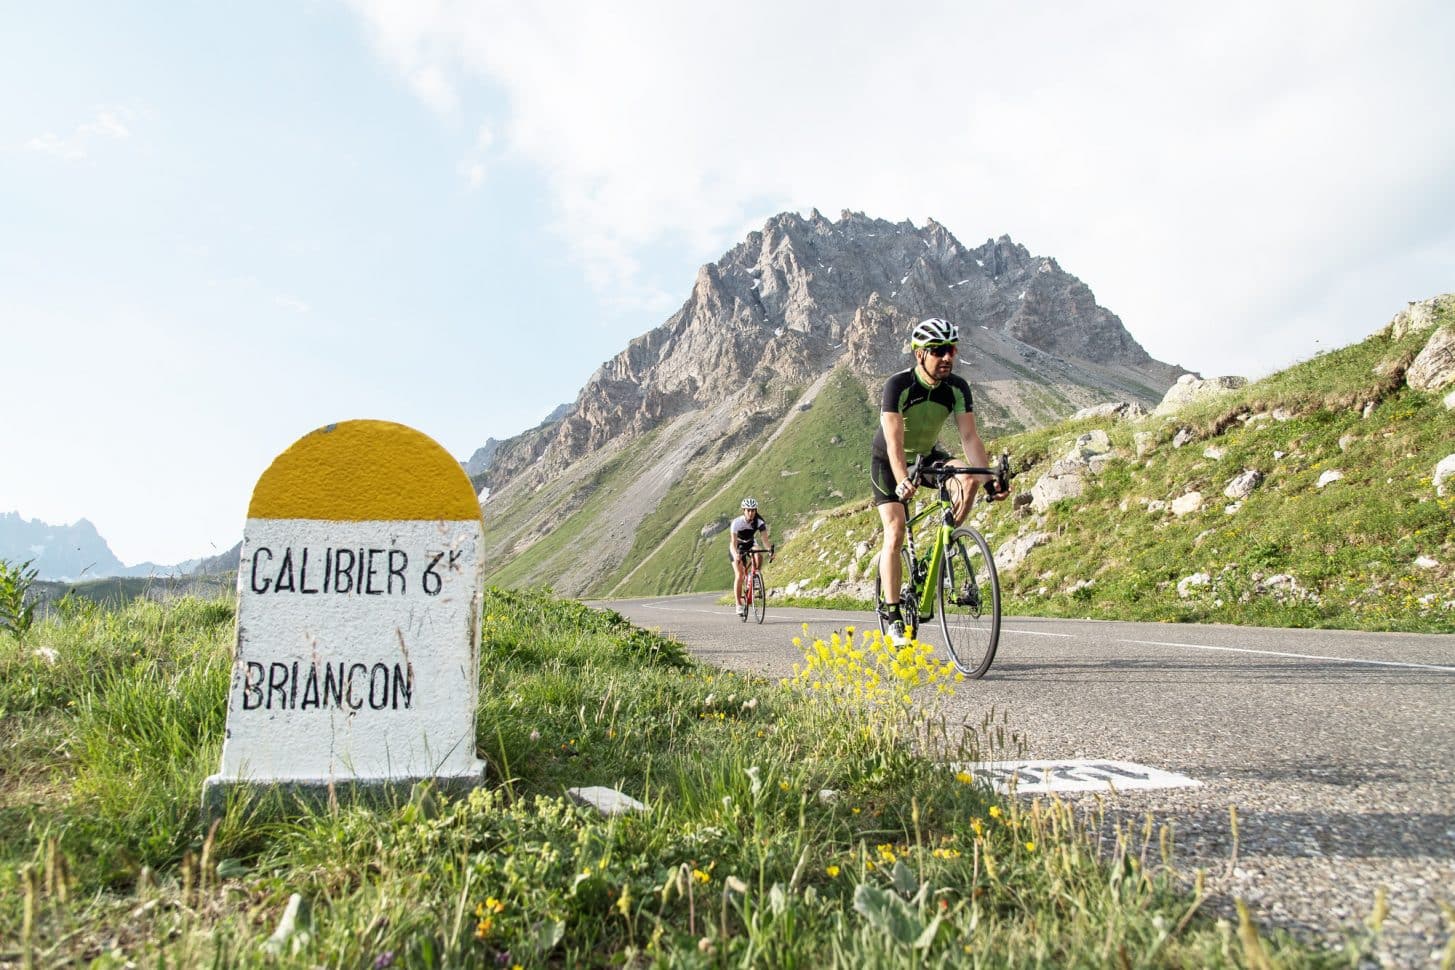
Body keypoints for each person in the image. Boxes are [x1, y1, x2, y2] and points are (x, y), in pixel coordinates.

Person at [870, 317, 1001, 644]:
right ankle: (893, 613)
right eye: (939, 350)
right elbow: (894, 443)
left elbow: (970, 437)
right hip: (889, 462)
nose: (947, 357)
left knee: (967, 480)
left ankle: (945, 545)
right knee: (896, 530)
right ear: (920, 355)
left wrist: (987, 480)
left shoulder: (957, 388)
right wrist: (902, 480)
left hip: (927, 456)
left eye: (952, 350)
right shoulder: (898, 386)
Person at [728, 497, 772, 617]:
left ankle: (755, 576)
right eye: (748, 510)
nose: (751, 513)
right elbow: (733, 543)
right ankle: (738, 604)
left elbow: (765, 540)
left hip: (751, 543)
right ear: (744, 510)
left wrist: (770, 551)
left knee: (758, 554)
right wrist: (736, 554)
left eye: (753, 510)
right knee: (740, 575)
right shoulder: (737, 523)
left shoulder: (759, 522)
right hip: (738, 546)